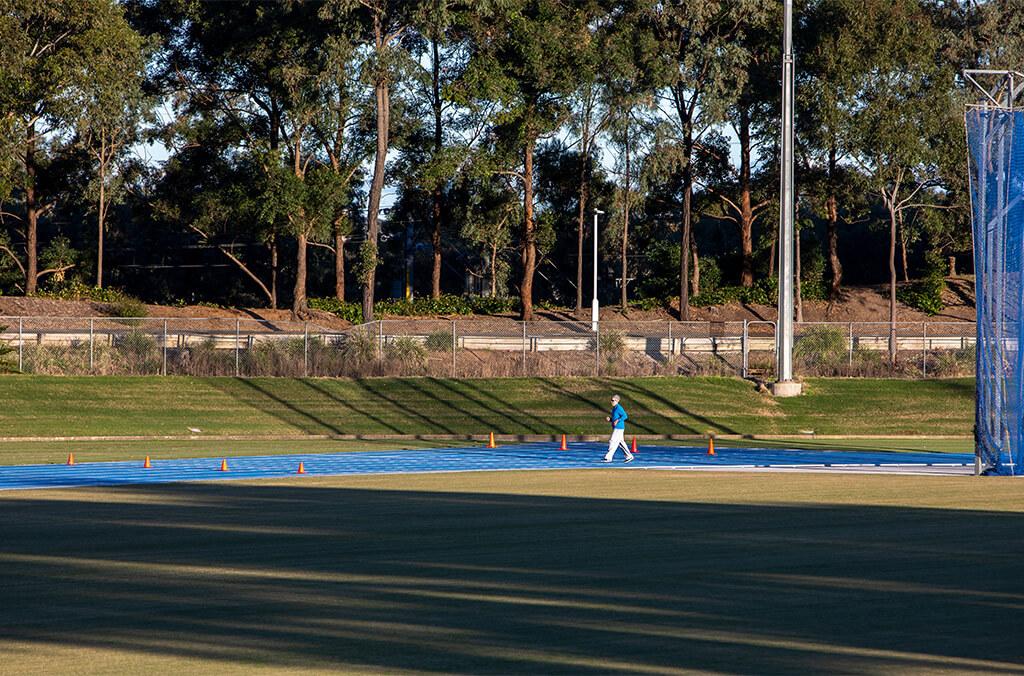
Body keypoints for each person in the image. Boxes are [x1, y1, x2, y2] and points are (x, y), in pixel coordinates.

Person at [603, 394, 634, 463]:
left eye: (613, 400)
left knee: (612, 441)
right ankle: (629, 456)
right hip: (617, 427)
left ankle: (608, 457)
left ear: (617, 401)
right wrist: (610, 419)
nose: (611, 401)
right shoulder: (614, 408)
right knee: (621, 443)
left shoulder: (619, 408)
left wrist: (617, 420)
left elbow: (625, 416)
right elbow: (615, 418)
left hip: (619, 428)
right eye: (611, 400)